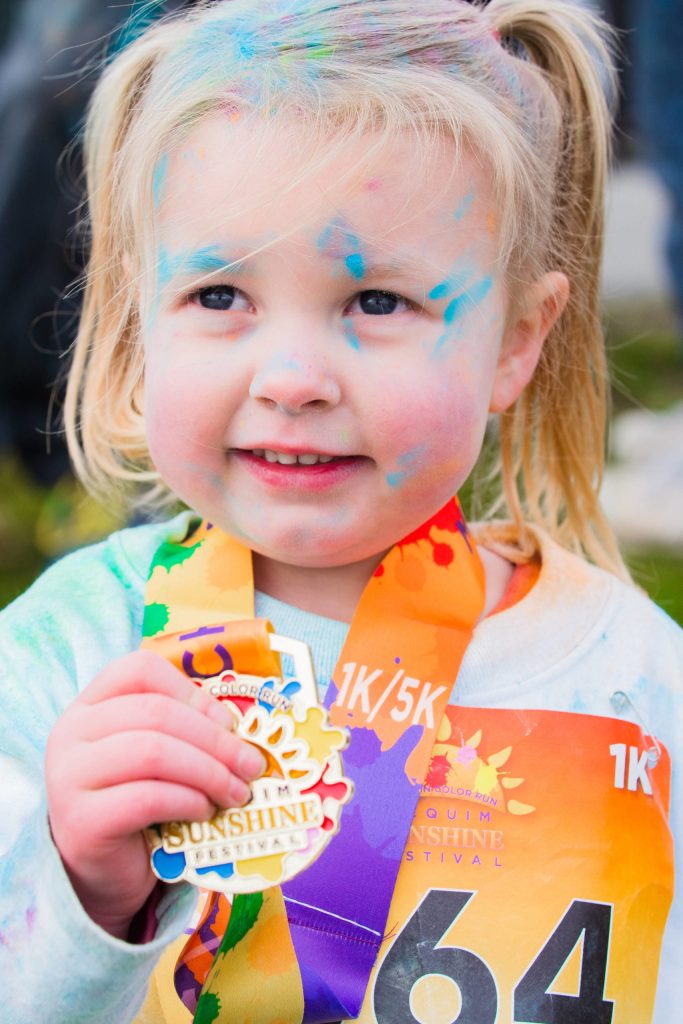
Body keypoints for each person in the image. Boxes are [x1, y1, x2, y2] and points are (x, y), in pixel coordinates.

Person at [0, 1, 681, 1022]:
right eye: (220, 296)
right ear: (142, 312)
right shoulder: (67, 657)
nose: (291, 378)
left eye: (376, 304)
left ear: (514, 340)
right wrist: (84, 891)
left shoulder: (628, 677)